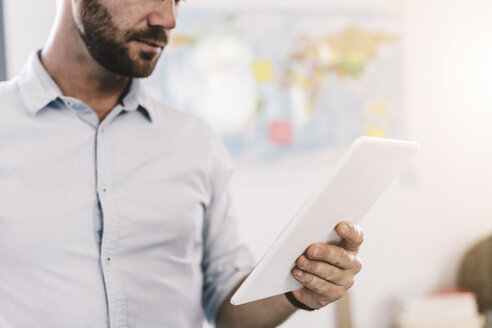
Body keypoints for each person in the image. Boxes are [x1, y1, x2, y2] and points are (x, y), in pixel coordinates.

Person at [0, 0, 364, 327]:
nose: (169, 18)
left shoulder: (195, 141)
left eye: (178, 0)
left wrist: (297, 291)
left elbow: (228, 303)